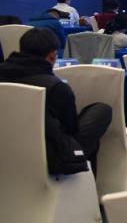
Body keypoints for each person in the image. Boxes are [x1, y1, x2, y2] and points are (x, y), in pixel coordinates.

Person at [0, 28, 112, 175]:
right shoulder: (56, 88)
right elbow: (71, 129)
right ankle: (89, 183)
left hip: (7, 147)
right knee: (101, 111)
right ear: (52, 55)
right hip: (52, 156)